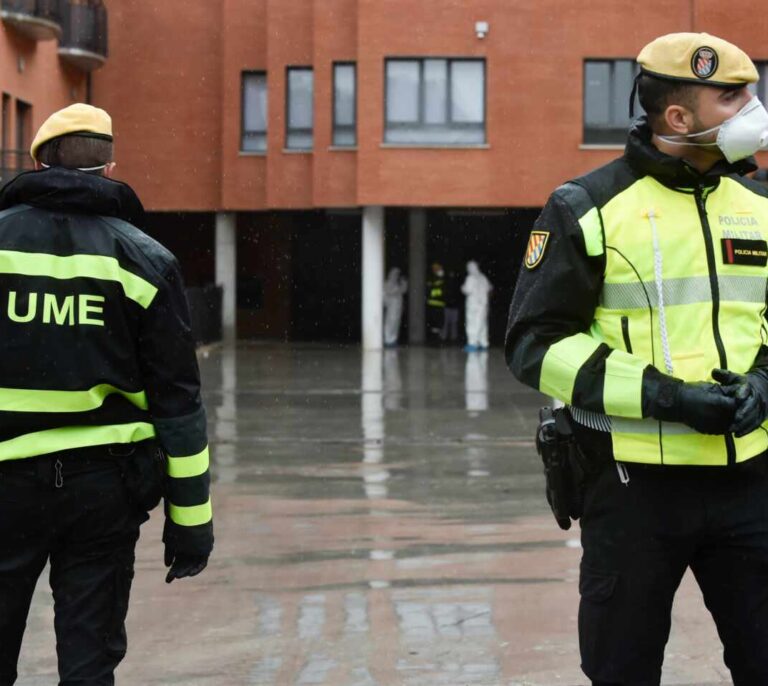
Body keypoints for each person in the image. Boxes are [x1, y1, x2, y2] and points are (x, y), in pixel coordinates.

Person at [506, 32, 768, 685]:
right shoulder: (586, 207)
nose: (754, 107)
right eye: (733, 96)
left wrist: (765, 382)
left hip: (751, 484)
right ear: (679, 118)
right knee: (622, 670)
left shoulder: (760, 206)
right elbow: (535, 344)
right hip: (632, 489)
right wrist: (666, 397)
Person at [0, 104, 213, 685]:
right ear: (111, 167)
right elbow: (179, 406)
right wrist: (191, 523)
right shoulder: (146, 261)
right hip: (105, 493)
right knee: (89, 663)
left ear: (39, 162)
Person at [462, 260, 492, 352]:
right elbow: (490, 288)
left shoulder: (471, 278)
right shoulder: (483, 277)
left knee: (472, 324)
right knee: (482, 324)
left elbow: (467, 290)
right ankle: (484, 343)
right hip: (483, 305)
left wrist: (463, 288)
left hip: (473, 306)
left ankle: (473, 344)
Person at [383, 266, 407, 347]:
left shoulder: (397, 284)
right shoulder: (387, 283)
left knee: (396, 324)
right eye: (395, 274)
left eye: (398, 274)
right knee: (390, 323)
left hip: (398, 308)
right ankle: (387, 341)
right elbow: (388, 293)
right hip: (391, 308)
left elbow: (403, 290)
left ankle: (393, 340)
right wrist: (398, 290)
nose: (396, 276)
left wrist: (404, 283)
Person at [426, 262, 446, 344]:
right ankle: (434, 340)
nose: (438, 270)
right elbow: (431, 291)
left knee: (438, 323)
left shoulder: (441, 279)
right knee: (434, 324)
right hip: (433, 305)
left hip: (439, 305)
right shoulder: (432, 278)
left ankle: (436, 340)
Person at [441, 266, 461, 343]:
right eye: (450, 273)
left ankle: (453, 337)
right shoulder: (446, 283)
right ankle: (444, 337)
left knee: (454, 323)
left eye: (452, 273)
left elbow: (459, 295)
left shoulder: (457, 283)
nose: (451, 274)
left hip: (454, 306)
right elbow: (444, 293)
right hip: (447, 306)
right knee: (445, 322)